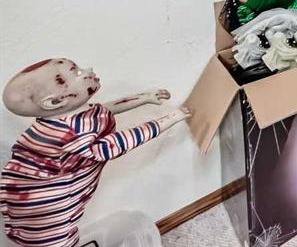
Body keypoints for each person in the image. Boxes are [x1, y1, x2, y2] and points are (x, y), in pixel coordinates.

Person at [0, 58, 189, 247]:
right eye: (77, 72)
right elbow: (120, 143)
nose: (88, 70)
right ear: (56, 101)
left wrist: (144, 97)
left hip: (38, 199)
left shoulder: (69, 118)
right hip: (48, 211)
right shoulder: (70, 135)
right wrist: (172, 118)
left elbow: (102, 111)